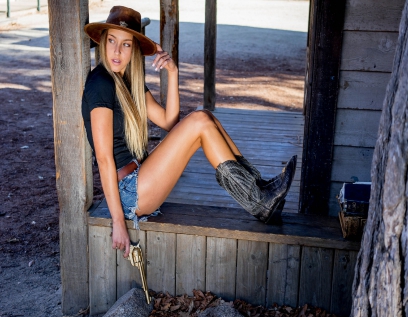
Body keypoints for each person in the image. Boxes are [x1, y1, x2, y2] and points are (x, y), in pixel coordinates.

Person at [82, 6, 296, 258]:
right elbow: (105, 159)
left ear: (135, 49)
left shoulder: (126, 80)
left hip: (141, 178)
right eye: (112, 41)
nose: (117, 51)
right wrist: (118, 222)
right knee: (198, 121)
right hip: (128, 194)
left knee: (205, 118)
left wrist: (173, 73)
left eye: (126, 44)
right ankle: (260, 200)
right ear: (103, 41)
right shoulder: (100, 83)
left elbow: (168, 121)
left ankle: (258, 187)